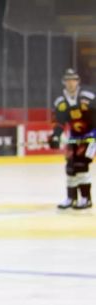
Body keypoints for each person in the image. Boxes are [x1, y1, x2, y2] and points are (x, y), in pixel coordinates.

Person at [50, 68, 94, 210]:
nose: (71, 83)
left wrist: (91, 137)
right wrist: (56, 136)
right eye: (68, 80)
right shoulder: (60, 101)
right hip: (74, 138)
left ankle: (86, 199)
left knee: (81, 166)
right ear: (64, 82)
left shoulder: (89, 97)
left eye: (73, 80)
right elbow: (59, 122)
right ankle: (71, 198)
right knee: (70, 167)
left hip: (91, 137)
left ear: (78, 81)